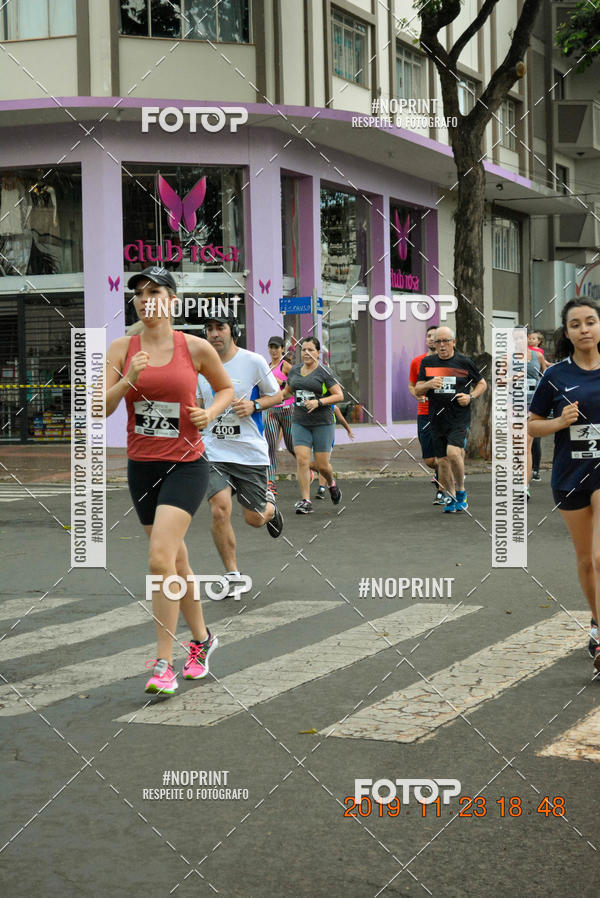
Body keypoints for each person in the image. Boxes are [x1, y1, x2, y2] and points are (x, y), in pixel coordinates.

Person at [104, 266, 234, 695]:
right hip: (143, 466)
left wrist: (209, 414)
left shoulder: (194, 347)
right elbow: (97, 408)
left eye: (154, 291)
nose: (145, 298)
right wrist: (128, 379)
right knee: (177, 562)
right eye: (138, 293)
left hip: (186, 464)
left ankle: (164, 663)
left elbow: (225, 390)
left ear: (172, 300)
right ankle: (203, 640)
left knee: (160, 560)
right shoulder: (122, 348)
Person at [528, 299, 600, 669]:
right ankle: (597, 622)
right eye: (576, 324)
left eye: (591, 321)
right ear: (567, 332)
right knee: (587, 560)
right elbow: (530, 424)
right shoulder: (556, 375)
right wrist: (558, 422)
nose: (584, 329)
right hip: (570, 474)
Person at [197, 313, 284, 597]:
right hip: (214, 450)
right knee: (219, 509)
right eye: (209, 329)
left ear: (232, 331)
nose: (214, 334)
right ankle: (232, 574)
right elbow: (198, 403)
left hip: (248, 452)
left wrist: (255, 406)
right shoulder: (200, 365)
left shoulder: (253, 362)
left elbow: (278, 396)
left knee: (254, 518)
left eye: (219, 328)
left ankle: (270, 507)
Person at [415, 326, 487, 513]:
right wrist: (429, 384)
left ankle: (461, 491)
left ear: (453, 342)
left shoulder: (464, 362)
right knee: (442, 461)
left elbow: (482, 383)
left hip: (458, 416)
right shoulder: (428, 363)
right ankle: (452, 497)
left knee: (453, 452)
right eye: (438, 341)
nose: (442, 345)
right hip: (436, 417)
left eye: (446, 341)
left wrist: (470, 397)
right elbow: (417, 389)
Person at [282, 336, 344, 514]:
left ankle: (331, 483)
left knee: (322, 466)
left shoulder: (324, 372)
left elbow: (339, 395)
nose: (306, 353)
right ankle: (305, 501)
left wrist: (319, 402)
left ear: (318, 352)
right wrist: (269, 399)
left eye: (311, 350)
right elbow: (287, 392)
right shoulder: (294, 371)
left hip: (322, 423)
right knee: (302, 460)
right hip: (300, 421)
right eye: (304, 350)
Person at [409, 325, 443, 504]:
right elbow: (412, 385)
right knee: (430, 459)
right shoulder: (418, 362)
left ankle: (442, 490)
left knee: (442, 453)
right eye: (428, 336)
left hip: (444, 412)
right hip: (424, 413)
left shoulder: (448, 362)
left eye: (435, 336)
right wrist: (417, 395)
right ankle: (446, 470)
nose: (431, 339)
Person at [263, 335, 295, 494]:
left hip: (288, 410)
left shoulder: (286, 366)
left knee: (291, 446)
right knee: (270, 446)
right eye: (271, 347)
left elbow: (296, 385)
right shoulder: (266, 366)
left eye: (277, 347)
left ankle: (308, 467)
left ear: (282, 349)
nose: (274, 350)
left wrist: (281, 382)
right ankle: (270, 482)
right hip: (271, 410)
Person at [314, 405, 354, 499]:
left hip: (327, 439)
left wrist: (349, 430)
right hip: (314, 438)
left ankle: (321, 488)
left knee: (323, 464)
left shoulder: (333, 408)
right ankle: (328, 476)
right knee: (314, 465)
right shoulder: (313, 406)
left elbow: (341, 419)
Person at [526, 345, 542, 497]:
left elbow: (545, 376)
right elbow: (500, 381)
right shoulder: (508, 358)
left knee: (528, 444)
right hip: (514, 406)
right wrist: (511, 379)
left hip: (533, 405)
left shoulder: (538, 356)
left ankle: (525, 485)